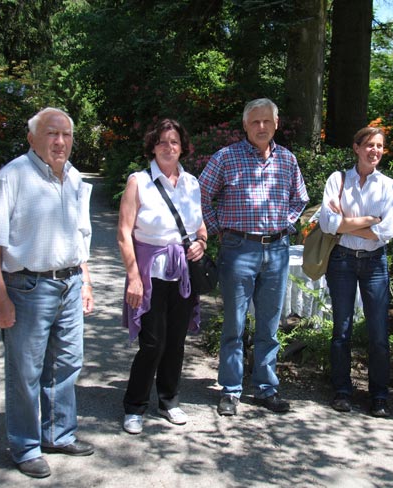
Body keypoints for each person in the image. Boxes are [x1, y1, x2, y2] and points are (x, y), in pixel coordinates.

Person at [0, 107, 95, 478]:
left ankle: (58, 433)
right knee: (25, 371)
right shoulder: (12, 178)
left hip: (70, 283)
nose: (59, 142)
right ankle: (25, 445)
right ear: (32, 138)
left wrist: (85, 280)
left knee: (66, 365)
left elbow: (80, 236)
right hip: (27, 287)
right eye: (50, 134)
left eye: (66, 135)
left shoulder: (74, 177)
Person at [199, 98, 309, 416]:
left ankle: (265, 387)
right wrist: (219, 227)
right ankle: (231, 390)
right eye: (255, 122)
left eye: (267, 121)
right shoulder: (226, 158)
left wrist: (285, 224)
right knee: (234, 323)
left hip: (277, 250)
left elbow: (299, 198)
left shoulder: (287, 160)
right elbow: (202, 194)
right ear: (245, 126)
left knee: (269, 325)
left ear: (276, 124)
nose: (261, 127)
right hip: (239, 249)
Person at [118, 118, 206, 435]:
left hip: (181, 272)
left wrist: (202, 243)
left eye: (174, 142)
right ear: (152, 147)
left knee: (176, 343)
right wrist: (133, 277)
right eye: (162, 142)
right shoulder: (138, 182)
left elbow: (199, 226)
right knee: (152, 343)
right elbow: (124, 233)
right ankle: (134, 405)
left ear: (182, 147)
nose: (168, 147)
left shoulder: (192, 183)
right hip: (150, 272)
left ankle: (169, 400)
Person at [319, 126, 393, 418]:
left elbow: (386, 232)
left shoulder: (388, 186)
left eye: (379, 146)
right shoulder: (338, 179)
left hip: (375, 263)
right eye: (369, 145)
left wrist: (346, 222)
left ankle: (378, 395)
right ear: (356, 147)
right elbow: (327, 224)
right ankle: (342, 391)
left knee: (378, 333)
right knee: (341, 330)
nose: (374, 151)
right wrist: (367, 221)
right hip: (341, 260)